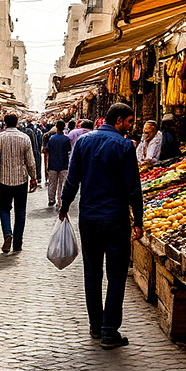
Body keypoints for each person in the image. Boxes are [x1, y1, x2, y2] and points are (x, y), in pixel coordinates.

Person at [59, 103, 143, 350]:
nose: (129, 128)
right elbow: (133, 187)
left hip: (89, 219)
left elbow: (73, 179)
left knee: (92, 273)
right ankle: (109, 330)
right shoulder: (125, 146)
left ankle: (96, 324)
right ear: (118, 120)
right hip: (116, 219)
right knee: (116, 275)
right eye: (128, 122)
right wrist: (138, 220)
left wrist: (64, 206)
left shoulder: (84, 143)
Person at [0, 113, 37, 253]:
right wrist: (33, 177)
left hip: (4, 180)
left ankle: (7, 233)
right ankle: (17, 243)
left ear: (4, 123)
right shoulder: (25, 138)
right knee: (20, 212)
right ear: (17, 123)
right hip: (21, 180)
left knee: (4, 209)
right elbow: (30, 161)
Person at [46, 120, 71, 209]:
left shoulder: (51, 138)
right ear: (64, 127)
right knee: (62, 184)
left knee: (52, 183)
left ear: (56, 127)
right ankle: (60, 202)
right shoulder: (66, 139)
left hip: (52, 164)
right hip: (63, 164)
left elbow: (47, 149)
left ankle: (51, 199)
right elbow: (68, 151)